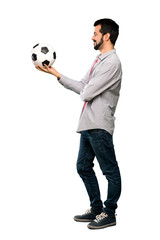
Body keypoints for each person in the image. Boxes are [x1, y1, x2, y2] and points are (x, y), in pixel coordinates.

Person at [36, 18, 122, 230]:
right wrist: (56, 74)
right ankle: (96, 208)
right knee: (83, 167)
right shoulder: (99, 60)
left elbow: (87, 93)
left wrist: (86, 89)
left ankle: (109, 212)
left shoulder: (112, 63)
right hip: (87, 125)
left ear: (106, 36)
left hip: (100, 126)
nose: (92, 36)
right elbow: (84, 85)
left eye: (95, 33)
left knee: (109, 170)